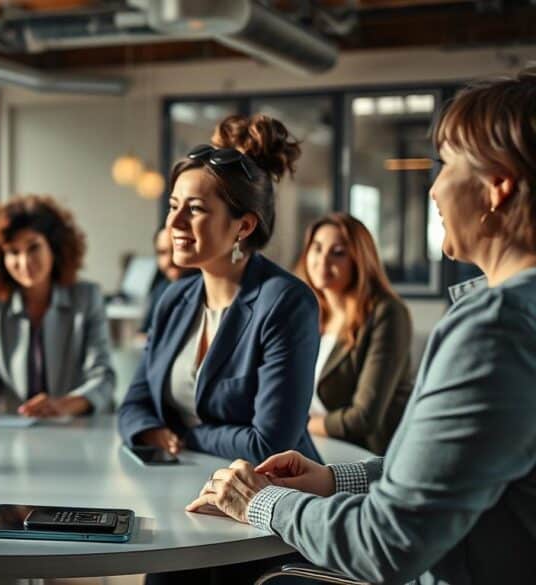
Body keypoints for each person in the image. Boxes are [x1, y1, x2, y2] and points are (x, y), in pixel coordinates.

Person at [188, 68, 536, 585]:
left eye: (444, 164)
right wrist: (333, 479)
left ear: (497, 187)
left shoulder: (495, 331)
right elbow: (453, 472)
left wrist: (262, 502)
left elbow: (385, 544)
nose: (433, 186)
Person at [117, 114, 321, 466]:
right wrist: (152, 429)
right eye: (173, 206)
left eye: (194, 209)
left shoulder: (286, 304)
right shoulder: (174, 298)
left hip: (271, 493)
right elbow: (134, 406)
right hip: (184, 483)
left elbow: (269, 445)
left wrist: (182, 433)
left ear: (243, 226)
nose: (174, 223)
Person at [0, 194, 115, 418]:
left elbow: (103, 379)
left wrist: (64, 405)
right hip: (11, 433)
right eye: (13, 252)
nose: (24, 262)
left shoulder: (87, 297)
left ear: (54, 248)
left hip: (76, 429)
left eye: (33, 247)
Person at [294, 213, 414, 454]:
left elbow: (363, 418)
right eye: (316, 249)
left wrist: (298, 425)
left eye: (337, 252)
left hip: (365, 457)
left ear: (360, 260)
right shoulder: (308, 311)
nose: (322, 260)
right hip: (313, 445)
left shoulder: (387, 313)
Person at [138, 228, 195, 336]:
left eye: (177, 250)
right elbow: (145, 333)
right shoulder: (161, 289)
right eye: (162, 252)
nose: (169, 260)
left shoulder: (204, 290)